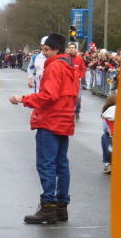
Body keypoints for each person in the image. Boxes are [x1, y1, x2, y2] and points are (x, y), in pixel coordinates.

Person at [9, 33, 79, 224]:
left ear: (56, 49)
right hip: (64, 120)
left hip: (50, 120)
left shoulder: (55, 66)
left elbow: (48, 96)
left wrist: (23, 99)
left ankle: (48, 205)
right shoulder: (71, 66)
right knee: (61, 164)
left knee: (46, 164)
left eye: (47, 49)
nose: (44, 53)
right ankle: (61, 206)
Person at [68, 43, 86, 121]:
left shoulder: (79, 58)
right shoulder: (65, 58)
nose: (71, 49)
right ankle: (69, 113)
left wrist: (80, 76)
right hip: (68, 81)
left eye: (73, 48)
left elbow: (83, 69)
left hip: (77, 82)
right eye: (70, 48)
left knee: (78, 98)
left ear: (76, 49)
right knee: (69, 97)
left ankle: (77, 112)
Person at [101, 94, 116, 174]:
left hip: (112, 136)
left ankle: (107, 164)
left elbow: (105, 129)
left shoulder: (107, 112)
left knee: (104, 137)